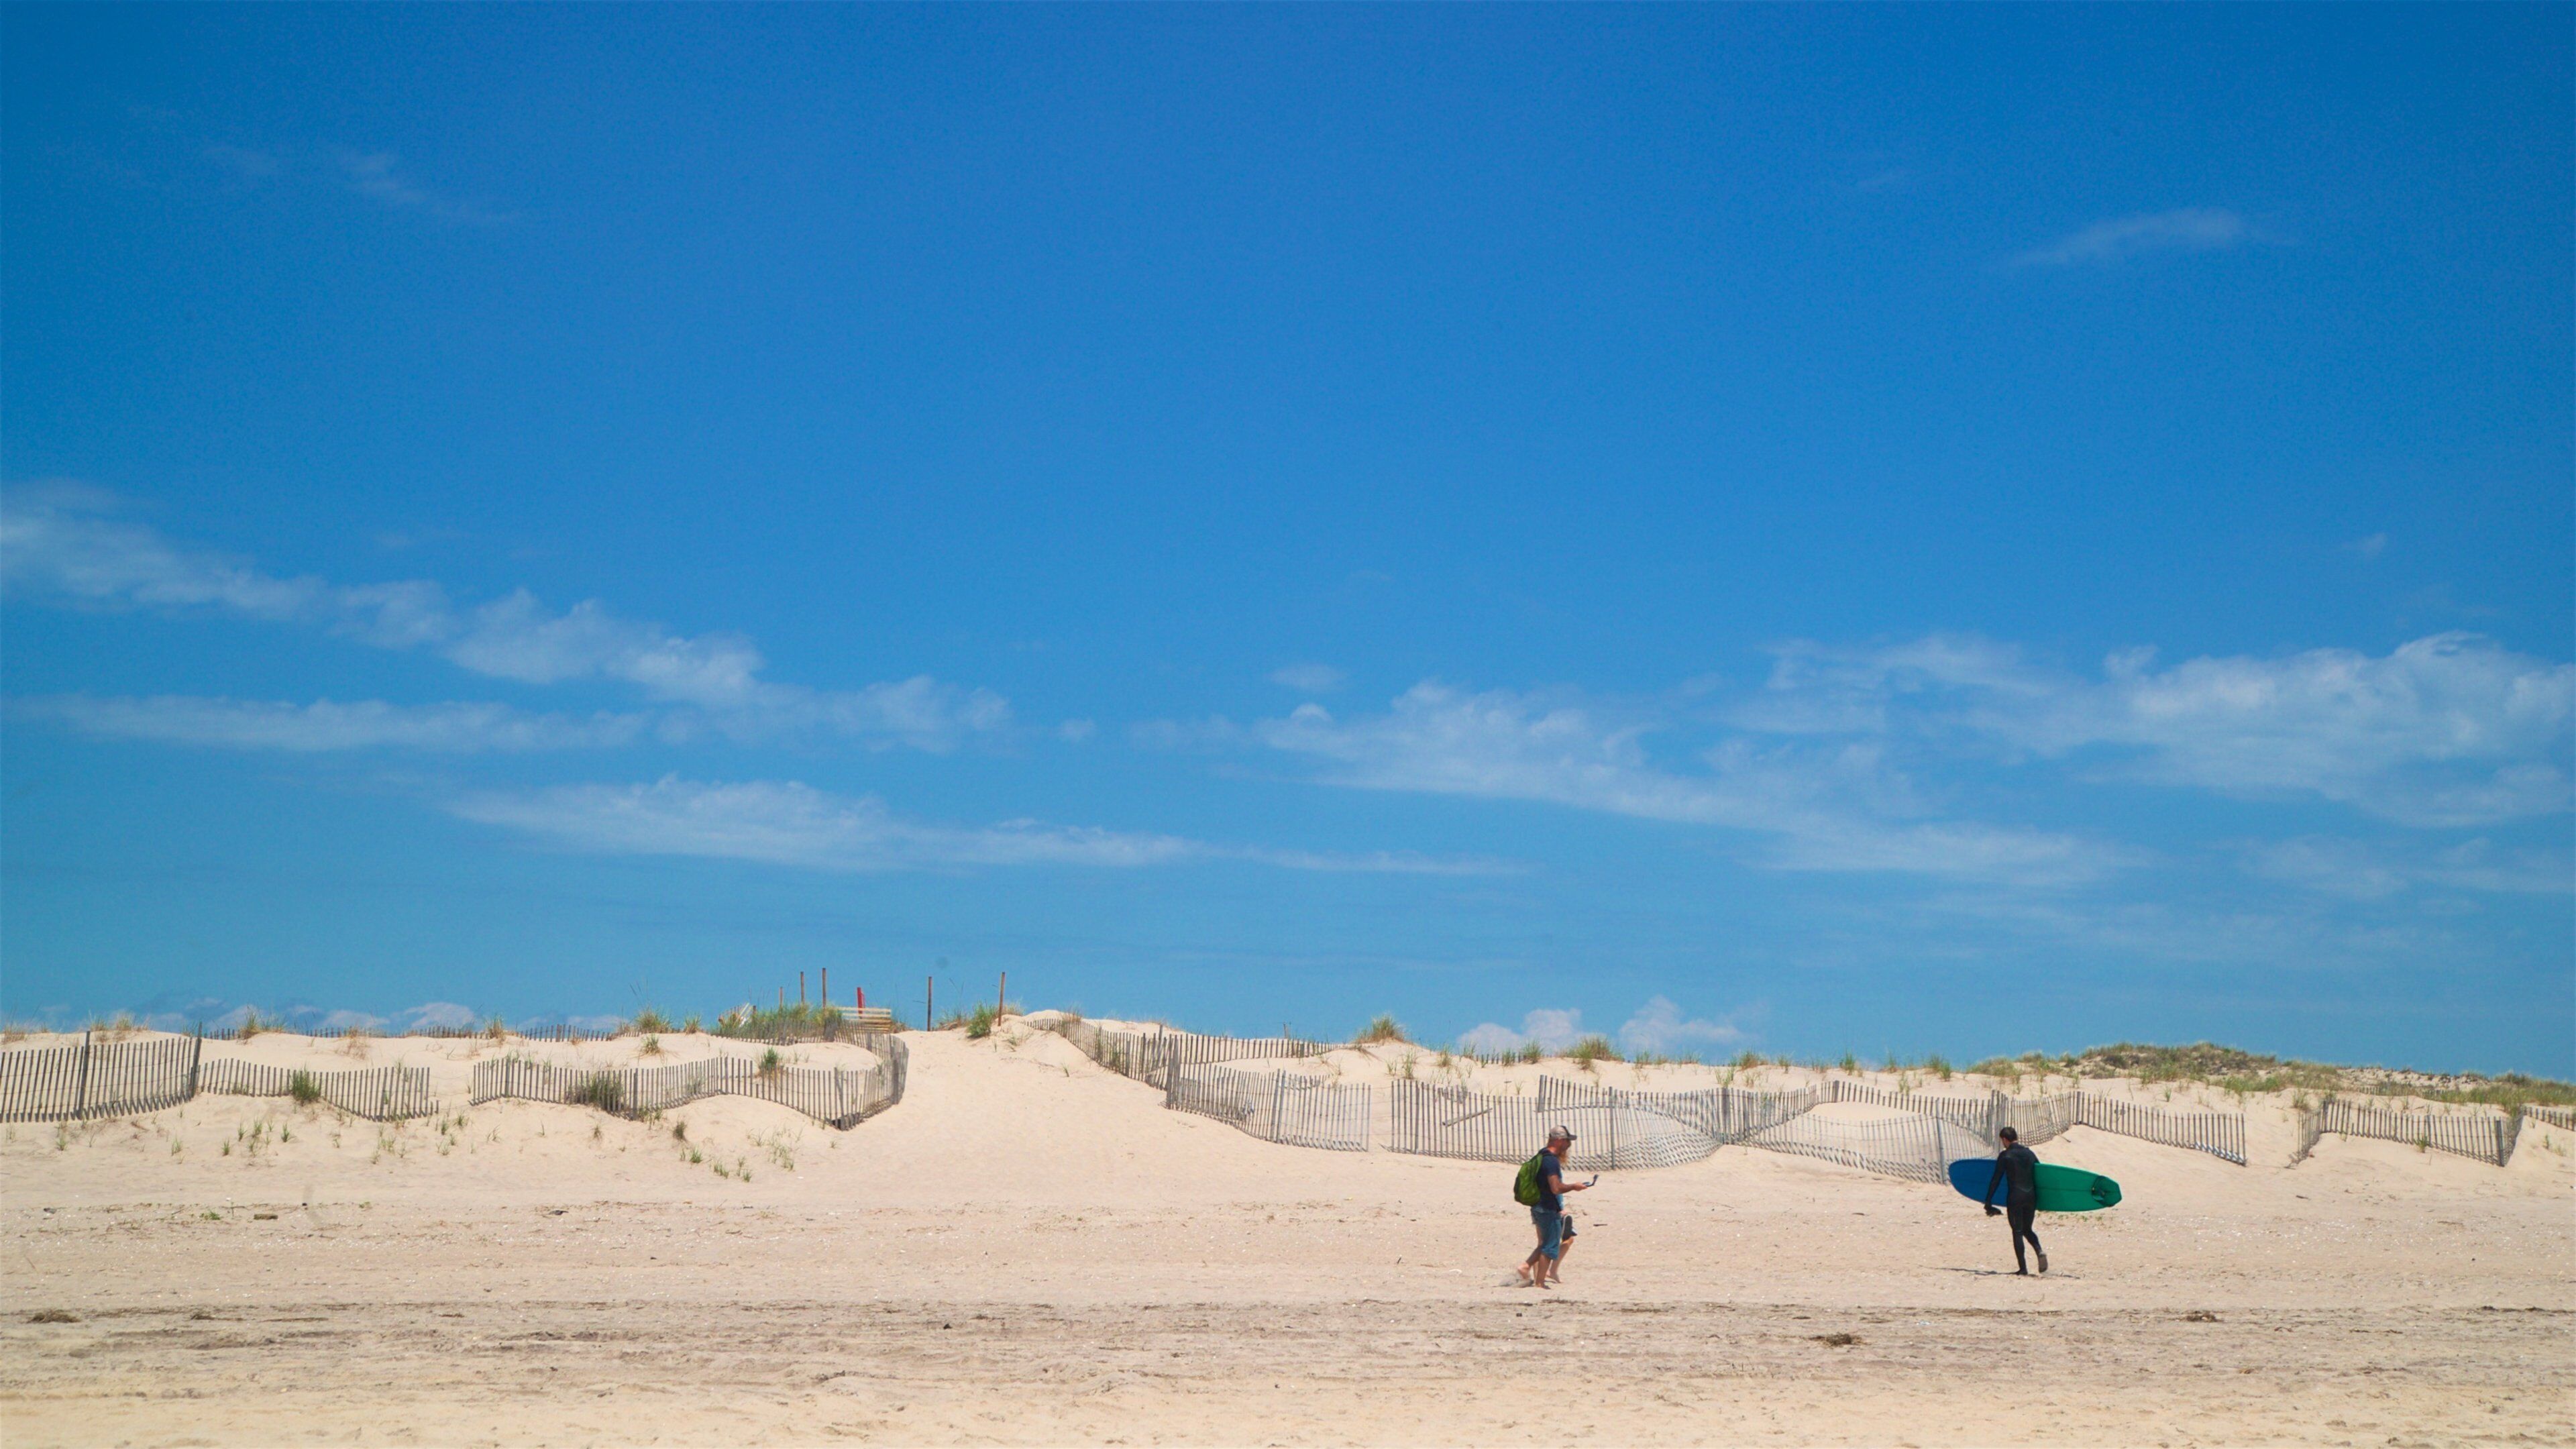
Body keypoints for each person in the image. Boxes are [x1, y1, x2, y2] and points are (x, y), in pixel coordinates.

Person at [1514, 1126, 1593, 1289]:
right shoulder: (1551, 1161)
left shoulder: (1542, 1155)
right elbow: (1556, 1188)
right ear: (1558, 1140)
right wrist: (1574, 1186)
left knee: (1544, 1244)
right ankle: (1538, 1280)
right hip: (1547, 1208)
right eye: (1566, 1141)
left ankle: (1533, 1274)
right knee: (1550, 1246)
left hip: (1538, 1206)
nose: (1568, 1145)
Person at [1982, 1125, 2048, 1275]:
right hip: (2031, 1197)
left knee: (2017, 1231)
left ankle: (2023, 1268)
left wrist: (1988, 1201)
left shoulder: (2006, 1156)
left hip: (2015, 1197)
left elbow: (1996, 1180)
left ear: (2005, 1140)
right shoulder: (2030, 1154)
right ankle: (2039, 1251)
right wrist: (2044, 1200)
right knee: (2027, 1229)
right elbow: (2041, 1174)